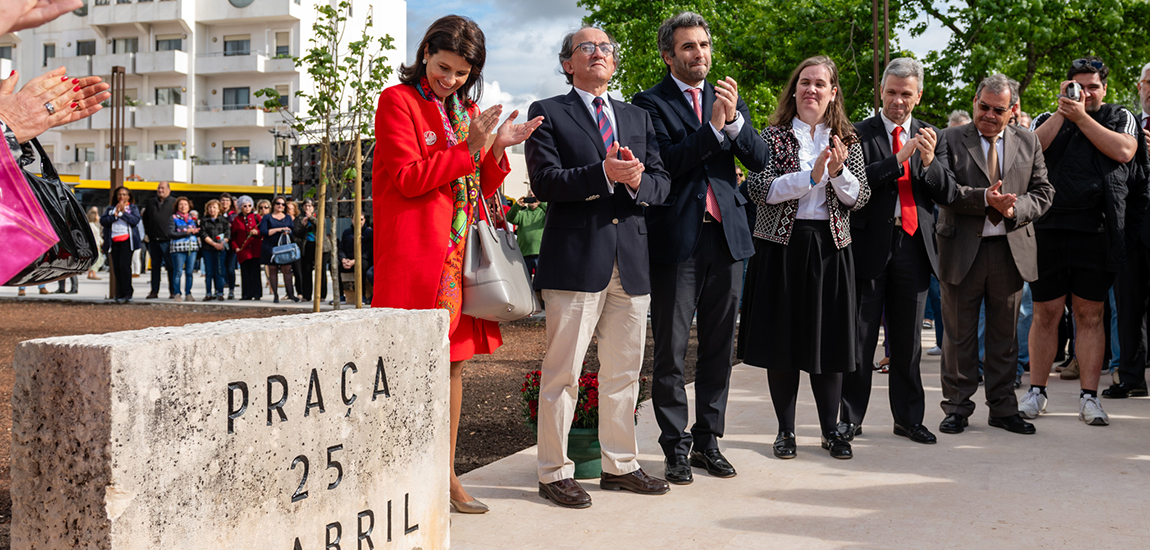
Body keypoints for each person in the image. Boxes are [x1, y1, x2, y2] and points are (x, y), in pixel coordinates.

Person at [371, 14, 541, 515]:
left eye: (461, 73)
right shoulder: (397, 101)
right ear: (425, 53)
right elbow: (406, 178)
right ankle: (400, 478)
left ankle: (446, 477)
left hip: (459, 260)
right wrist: (470, 149)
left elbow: (477, 187)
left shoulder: (463, 110)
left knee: (452, 370)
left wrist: (496, 149)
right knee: (406, 370)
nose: (449, 79)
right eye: (443, 67)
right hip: (417, 257)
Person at [526, 25, 671, 509]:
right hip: (575, 263)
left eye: (606, 47)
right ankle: (552, 472)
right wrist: (601, 174)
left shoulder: (636, 116)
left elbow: (661, 183)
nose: (598, 54)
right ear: (568, 63)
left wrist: (635, 182)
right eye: (586, 48)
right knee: (563, 373)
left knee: (624, 374)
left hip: (630, 262)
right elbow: (545, 182)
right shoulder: (547, 112)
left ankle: (620, 467)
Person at [631, 11, 770, 485]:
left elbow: (760, 157)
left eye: (705, 45)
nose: (700, 54)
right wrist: (711, 131)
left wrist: (732, 125)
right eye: (689, 46)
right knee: (670, 348)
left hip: (727, 239)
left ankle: (709, 440)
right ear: (668, 54)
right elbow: (664, 163)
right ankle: (675, 446)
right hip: (678, 241)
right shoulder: (646, 104)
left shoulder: (729, 98)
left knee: (717, 346)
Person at [738, 55, 870, 461]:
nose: (811, 89)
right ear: (794, 89)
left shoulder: (848, 140)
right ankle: (786, 431)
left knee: (827, 343)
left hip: (830, 250)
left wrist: (837, 171)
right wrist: (810, 177)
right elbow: (758, 189)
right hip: (781, 248)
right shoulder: (773, 136)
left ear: (833, 93)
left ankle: (831, 430)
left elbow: (859, 197)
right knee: (783, 343)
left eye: (820, 84)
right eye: (804, 82)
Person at [839, 57, 956, 446]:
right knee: (860, 338)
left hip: (914, 247)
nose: (897, 101)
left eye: (906, 94)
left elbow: (947, 192)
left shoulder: (931, 135)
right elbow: (854, 184)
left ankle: (908, 419)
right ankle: (850, 418)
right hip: (870, 244)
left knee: (907, 342)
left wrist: (926, 161)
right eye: (891, 92)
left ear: (918, 96)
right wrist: (898, 159)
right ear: (881, 92)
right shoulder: (858, 133)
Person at [1020, 56, 1142, 425]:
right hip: (1049, 227)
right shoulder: (1047, 117)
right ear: (1066, 86)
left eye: (1092, 87)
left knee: (1091, 315)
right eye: (1078, 86)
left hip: (1099, 230)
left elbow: (1123, 151)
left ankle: (1089, 397)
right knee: (1046, 314)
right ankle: (1037, 391)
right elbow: (1027, 153)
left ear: (1104, 88)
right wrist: (1063, 112)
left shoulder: (1120, 116)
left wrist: (1082, 116)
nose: (1085, 93)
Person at [933, 74, 1054, 436]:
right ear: (975, 102)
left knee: (1005, 336)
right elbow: (945, 190)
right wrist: (985, 199)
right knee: (958, 336)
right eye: (983, 106)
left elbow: (1044, 191)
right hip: (961, 249)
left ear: (1011, 110)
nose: (988, 114)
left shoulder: (1029, 141)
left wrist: (1015, 210)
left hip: (1009, 250)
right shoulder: (950, 138)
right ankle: (956, 408)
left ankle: (1002, 408)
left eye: (997, 109)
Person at [1107, 61, 1150, 399]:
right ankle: (1131, 377)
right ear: (1139, 87)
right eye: (1149, 82)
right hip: (1129, 227)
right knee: (1128, 304)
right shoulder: (1126, 124)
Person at [99, 186, 142, 303]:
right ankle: (119, 293)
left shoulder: (132, 208)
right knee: (116, 268)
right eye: (119, 194)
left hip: (127, 241)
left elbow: (135, 220)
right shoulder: (110, 208)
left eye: (124, 194)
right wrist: (115, 215)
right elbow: (103, 221)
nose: (121, 197)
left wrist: (123, 213)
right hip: (114, 241)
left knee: (125, 266)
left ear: (128, 196)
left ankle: (128, 293)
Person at [142, 181, 177, 299]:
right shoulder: (151, 202)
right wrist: (148, 232)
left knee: (171, 267)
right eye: (158, 188)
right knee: (155, 267)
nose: (160, 190)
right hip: (154, 240)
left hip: (168, 240)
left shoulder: (173, 203)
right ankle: (154, 291)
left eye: (162, 188)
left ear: (169, 189)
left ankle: (173, 291)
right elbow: (145, 218)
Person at [259, 197, 297, 303]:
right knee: (273, 271)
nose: (280, 206)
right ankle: (275, 295)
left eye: (283, 204)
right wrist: (278, 230)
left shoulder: (288, 218)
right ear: (273, 204)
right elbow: (263, 232)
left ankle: (290, 294)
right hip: (270, 247)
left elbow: (293, 232)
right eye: (278, 203)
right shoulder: (267, 217)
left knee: (287, 270)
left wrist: (287, 231)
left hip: (284, 247)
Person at [167, 196, 200, 302]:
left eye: (185, 204)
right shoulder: (173, 217)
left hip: (192, 248)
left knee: (190, 272)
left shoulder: (193, 218)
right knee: (178, 272)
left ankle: (188, 293)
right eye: (181, 204)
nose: (183, 207)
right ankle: (177, 293)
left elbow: (198, 231)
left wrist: (196, 231)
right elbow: (171, 233)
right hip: (178, 248)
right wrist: (186, 232)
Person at [507, 190, 546, 277]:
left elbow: (550, 211)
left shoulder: (543, 213)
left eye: (534, 195)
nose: (532, 196)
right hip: (524, 254)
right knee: (525, 279)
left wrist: (540, 202)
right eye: (530, 196)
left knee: (540, 281)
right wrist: (517, 206)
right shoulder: (522, 214)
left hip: (540, 254)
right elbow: (509, 218)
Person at [231, 195, 263, 300]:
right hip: (243, 250)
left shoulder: (256, 217)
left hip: (255, 249)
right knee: (245, 272)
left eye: (249, 205)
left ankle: (257, 293)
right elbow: (233, 236)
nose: (247, 208)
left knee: (255, 272)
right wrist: (235, 247)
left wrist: (257, 232)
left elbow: (263, 231)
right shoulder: (237, 219)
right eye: (244, 206)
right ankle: (246, 294)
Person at [295, 198, 326, 301]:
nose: (307, 208)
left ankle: (321, 295)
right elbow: (297, 233)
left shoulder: (319, 215)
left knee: (320, 270)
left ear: (313, 207)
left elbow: (321, 226)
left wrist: (311, 218)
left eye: (309, 206)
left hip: (320, 246)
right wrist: (303, 225)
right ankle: (306, 295)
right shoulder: (300, 217)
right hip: (307, 245)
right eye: (305, 206)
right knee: (306, 270)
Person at [338, 214, 374, 305]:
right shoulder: (347, 232)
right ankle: (340, 295)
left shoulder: (369, 233)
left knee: (361, 267)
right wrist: (343, 259)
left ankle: (361, 295)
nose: (359, 222)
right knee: (334, 266)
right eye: (356, 219)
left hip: (362, 260)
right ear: (352, 220)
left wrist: (355, 261)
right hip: (348, 260)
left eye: (361, 219)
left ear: (365, 220)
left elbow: (368, 252)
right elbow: (341, 248)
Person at [200, 199, 231, 301]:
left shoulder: (223, 220)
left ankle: (220, 292)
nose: (212, 209)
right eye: (210, 207)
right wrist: (214, 244)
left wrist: (222, 243)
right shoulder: (204, 220)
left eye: (214, 207)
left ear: (219, 209)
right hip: (208, 249)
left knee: (219, 271)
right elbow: (203, 234)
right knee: (209, 272)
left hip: (220, 249)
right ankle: (208, 293)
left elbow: (227, 234)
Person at [219, 193, 238, 300]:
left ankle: (231, 290)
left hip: (231, 245)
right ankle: (219, 290)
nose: (224, 203)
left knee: (230, 268)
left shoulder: (234, 215)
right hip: (219, 245)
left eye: (227, 200)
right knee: (219, 269)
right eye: (222, 200)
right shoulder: (217, 214)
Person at [86, 206, 104, 280]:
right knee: (98, 259)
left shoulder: (94, 225)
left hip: (97, 243)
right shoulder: (92, 226)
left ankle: (90, 273)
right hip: (95, 245)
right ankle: (93, 273)